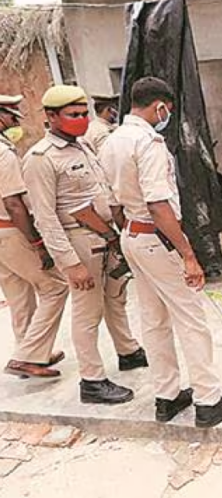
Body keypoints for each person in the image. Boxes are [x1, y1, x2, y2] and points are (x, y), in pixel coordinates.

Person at [100, 76, 222, 428]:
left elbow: (115, 203)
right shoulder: (148, 142)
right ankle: (209, 401)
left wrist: (127, 233)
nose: (166, 116)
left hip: (132, 236)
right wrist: (188, 255)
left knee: (154, 320)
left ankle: (166, 397)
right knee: (191, 319)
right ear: (159, 106)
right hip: (157, 238)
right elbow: (159, 204)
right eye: (167, 111)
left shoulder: (112, 141)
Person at [22, 85, 145, 404]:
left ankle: (128, 350)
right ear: (51, 117)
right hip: (79, 242)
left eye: (83, 114)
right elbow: (45, 217)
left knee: (115, 299)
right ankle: (92, 380)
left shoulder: (81, 147)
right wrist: (69, 264)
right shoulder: (40, 158)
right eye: (72, 115)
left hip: (104, 236)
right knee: (87, 311)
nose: (80, 120)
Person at [0, 94, 69, 379]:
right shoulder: (3, 153)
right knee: (55, 287)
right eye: (11, 115)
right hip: (10, 231)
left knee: (19, 294)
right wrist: (38, 245)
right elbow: (14, 203)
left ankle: (30, 352)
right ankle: (28, 355)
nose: (16, 121)